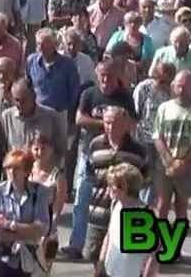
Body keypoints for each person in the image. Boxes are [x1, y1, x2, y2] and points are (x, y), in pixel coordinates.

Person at [67, 60, 137, 257]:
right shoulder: (89, 94)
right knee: (83, 199)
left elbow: (132, 123)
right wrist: (108, 123)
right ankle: (77, 243)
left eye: (109, 76)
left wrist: (111, 125)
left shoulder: (125, 97)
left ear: (117, 76)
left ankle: (114, 244)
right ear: (97, 76)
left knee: (115, 201)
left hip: (118, 155)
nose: (106, 79)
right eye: (102, 76)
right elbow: (79, 119)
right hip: (91, 152)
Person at [84, 107, 150, 262]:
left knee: (121, 260)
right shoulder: (95, 144)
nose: (111, 127)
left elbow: (145, 179)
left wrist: (125, 188)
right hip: (98, 211)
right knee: (95, 257)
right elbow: (89, 174)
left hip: (125, 214)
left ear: (126, 124)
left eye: (116, 123)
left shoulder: (138, 150)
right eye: (107, 123)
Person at [152, 70, 191, 222]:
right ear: (173, 86)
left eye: (185, 87)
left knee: (181, 206)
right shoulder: (164, 108)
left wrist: (183, 162)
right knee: (162, 205)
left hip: (187, 167)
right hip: (164, 165)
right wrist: (170, 161)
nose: (181, 90)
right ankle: (158, 242)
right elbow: (157, 137)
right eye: (178, 86)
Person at [0, 149, 54, 277]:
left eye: (16, 168)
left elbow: (42, 229)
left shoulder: (40, 192)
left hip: (29, 259)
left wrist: (8, 224)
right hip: (4, 259)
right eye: (8, 168)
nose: (11, 172)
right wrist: (28, 232)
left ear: (26, 171)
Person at [97, 164, 157, 277]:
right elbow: (109, 235)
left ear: (124, 188)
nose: (108, 189)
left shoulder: (144, 214)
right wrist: (101, 262)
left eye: (111, 186)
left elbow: (154, 253)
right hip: (111, 270)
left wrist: (148, 273)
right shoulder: (115, 205)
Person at [26, 28, 82, 120]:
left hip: (60, 113)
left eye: (45, 44)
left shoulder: (68, 64)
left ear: (54, 45)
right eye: (39, 44)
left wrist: (69, 113)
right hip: (38, 113)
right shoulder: (31, 61)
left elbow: (74, 91)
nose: (41, 47)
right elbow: (28, 85)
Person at [0, 79, 66, 153]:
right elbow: (1, 149)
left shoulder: (51, 117)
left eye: (24, 100)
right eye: (17, 100)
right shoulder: (6, 117)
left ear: (34, 96)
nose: (20, 104)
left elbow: (60, 150)